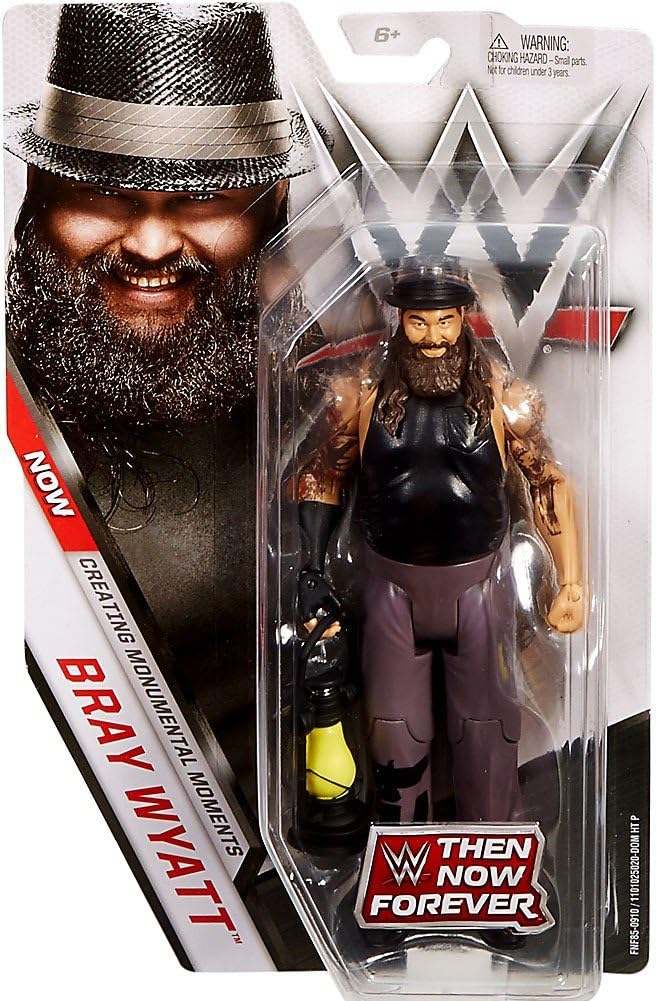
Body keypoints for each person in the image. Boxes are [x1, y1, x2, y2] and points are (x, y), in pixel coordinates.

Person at [298, 269, 584, 825]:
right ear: (401, 322)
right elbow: (321, 475)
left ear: (463, 320)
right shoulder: (359, 397)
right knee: (394, 734)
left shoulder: (506, 401)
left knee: (487, 732)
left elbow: (548, 482)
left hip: (479, 586)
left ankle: (494, 851)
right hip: (389, 587)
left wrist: (570, 580)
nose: (432, 336)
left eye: (445, 321)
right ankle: (399, 848)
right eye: (419, 322)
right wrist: (312, 569)